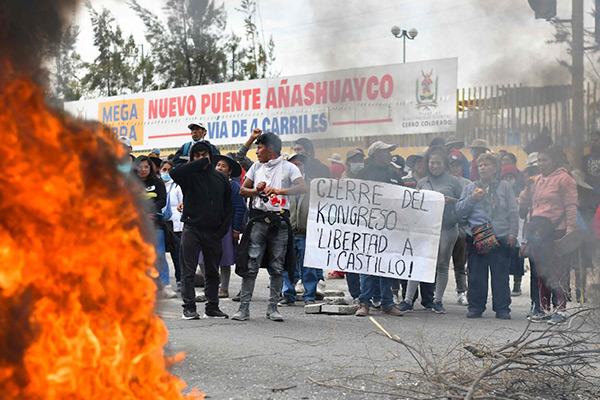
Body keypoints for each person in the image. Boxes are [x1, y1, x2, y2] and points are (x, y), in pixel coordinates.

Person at [233, 132, 307, 322]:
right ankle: (243, 309)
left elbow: (302, 187)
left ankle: (273, 308)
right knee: (251, 264)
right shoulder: (256, 167)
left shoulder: (289, 167)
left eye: (259, 147)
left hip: (279, 222)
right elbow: (243, 191)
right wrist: (256, 190)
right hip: (258, 221)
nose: (257, 152)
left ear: (271, 148)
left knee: (277, 266)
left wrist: (279, 191)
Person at [170, 142, 232, 320]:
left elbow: (228, 207)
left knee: (212, 271)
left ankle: (212, 307)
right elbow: (174, 172)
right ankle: (189, 307)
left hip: (213, 231)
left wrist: (221, 231)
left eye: (204, 155)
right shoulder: (188, 176)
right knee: (188, 270)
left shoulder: (220, 178)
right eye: (197, 155)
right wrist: (197, 163)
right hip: (192, 229)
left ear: (211, 156)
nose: (201, 159)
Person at [398, 146, 463, 314]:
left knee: (442, 264)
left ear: (445, 164)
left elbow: (464, 204)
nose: (435, 166)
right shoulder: (422, 182)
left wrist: (452, 201)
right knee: (418, 261)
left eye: (438, 163)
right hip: (426, 228)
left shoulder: (454, 182)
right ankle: (408, 300)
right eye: (432, 163)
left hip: (447, 228)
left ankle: (438, 301)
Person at [519, 146, 578, 325]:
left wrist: (570, 231)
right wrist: (527, 189)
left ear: (554, 161)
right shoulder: (537, 180)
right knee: (541, 271)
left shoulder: (565, 179)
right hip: (537, 231)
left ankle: (560, 310)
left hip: (557, 231)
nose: (541, 164)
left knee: (557, 271)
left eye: (544, 160)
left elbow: (571, 206)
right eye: (539, 161)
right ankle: (544, 309)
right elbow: (525, 203)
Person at [456, 152, 518, 319]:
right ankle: (476, 307)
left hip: (500, 237)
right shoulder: (470, 188)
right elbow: (459, 211)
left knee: (500, 275)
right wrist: (472, 199)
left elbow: (513, 212)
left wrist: (513, 233)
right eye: (480, 165)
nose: (483, 168)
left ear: (496, 168)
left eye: (487, 165)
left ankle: (502, 308)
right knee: (476, 275)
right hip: (477, 237)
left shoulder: (505, 187)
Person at [354, 141, 404, 317]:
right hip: (368, 226)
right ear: (375, 155)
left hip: (389, 227)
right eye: (386, 152)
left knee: (387, 265)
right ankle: (364, 303)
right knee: (367, 265)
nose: (389, 155)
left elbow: (404, 197)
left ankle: (387, 303)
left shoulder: (393, 174)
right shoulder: (363, 174)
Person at [198, 155, 247, 299]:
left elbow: (240, 208)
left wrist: (236, 229)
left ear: (230, 171)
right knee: (202, 257)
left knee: (224, 259)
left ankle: (224, 288)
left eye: (223, 166)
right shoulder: (208, 183)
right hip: (207, 225)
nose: (219, 168)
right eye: (218, 165)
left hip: (225, 226)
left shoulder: (233, 186)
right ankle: (210, 285)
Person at [279, 153, 321, 306]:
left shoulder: (314, 186)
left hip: (307, 233)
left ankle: (309, 295)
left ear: (304, 166)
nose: (296, 167)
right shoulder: (282, 185)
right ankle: (288, 294)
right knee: (287, 266)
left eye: (299, 164)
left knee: (308, 267)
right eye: (293, 164)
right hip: (287, 232)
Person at [132, 156, 177, 299]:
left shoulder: (157, 182)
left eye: (146, 166)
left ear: (151, 168)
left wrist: (151, 211)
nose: (143, 169)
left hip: (156, 224)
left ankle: (165, 286)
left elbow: (162, 200)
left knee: (159, 255)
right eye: (140, 166)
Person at [342, 148, 365, 301]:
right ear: (348, 163)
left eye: (360, 160)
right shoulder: (342, 183)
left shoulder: (370, 180)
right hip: (348, 228)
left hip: (366, 227)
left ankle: (367, 293)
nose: (358, 163)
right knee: (350, 262)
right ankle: (356, 294)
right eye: (354, 160)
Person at [448, 149, 470, 305]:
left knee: (460, 263)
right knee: (439, 263)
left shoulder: (467, 184)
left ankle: (462, 291)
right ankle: (434, 292)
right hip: (444, 226)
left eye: (457, 164)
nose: (454, 168)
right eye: (451, 164)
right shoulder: (443, 181)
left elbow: (469, 204)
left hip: (461, 226)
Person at [500, 164, 525, 297]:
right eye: (506, 177)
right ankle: (505, 285)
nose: (508, 180)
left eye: (511, 177)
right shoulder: (499, 191)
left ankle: (517, 284)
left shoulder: (521, 192)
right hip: (504, 228)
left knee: (518, 258)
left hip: (518, 228)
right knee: (504, 259)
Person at [160, 160, 184, 291]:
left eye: (169, 170)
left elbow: (182, 204)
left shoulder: (177, 187)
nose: (166, 172)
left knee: (177, 255)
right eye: (164, 169)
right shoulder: (158, 185)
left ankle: (180, 279)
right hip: (161, 225)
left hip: (175, 225)